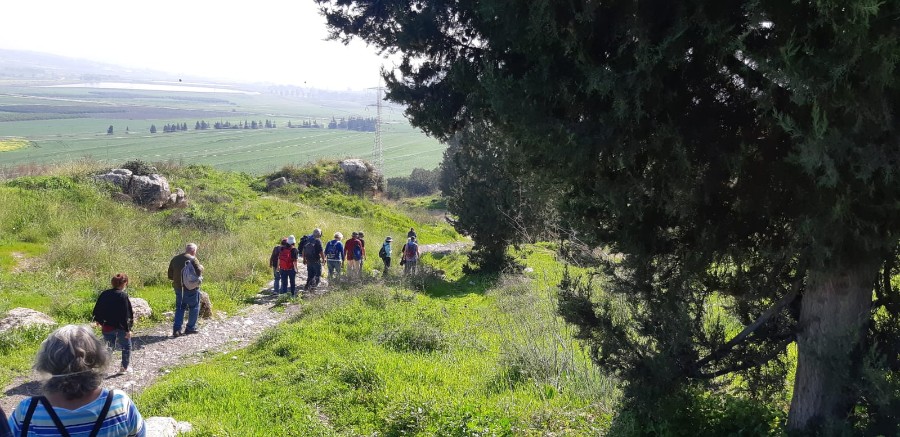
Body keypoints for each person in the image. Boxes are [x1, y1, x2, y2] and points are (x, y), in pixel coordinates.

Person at [7, 325, 145, 436]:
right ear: (97, 358)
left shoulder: (28, 411)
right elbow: (139, 434)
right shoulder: (118, 403)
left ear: (46, 362)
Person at [91, 273, 134, 374]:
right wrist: (128, 329)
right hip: (121, 327)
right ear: (125, 283)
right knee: (126, 346)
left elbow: (97, 308)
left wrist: (98, 320)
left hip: (107, 326)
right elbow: (126, 314)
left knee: (109, 347)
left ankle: (103, 368)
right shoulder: (123, 295)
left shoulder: (105, 293)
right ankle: (124, 368)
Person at [167, 243, 204, 337]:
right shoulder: (193, 259)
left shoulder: (175, 259)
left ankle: (176, 330)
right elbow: (198, 273)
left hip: (178, 288)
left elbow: (170, 275)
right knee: (194, 306)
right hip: (191, 288)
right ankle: (190, 328)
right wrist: (201, 268)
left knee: (180, 308)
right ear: (194, 251)